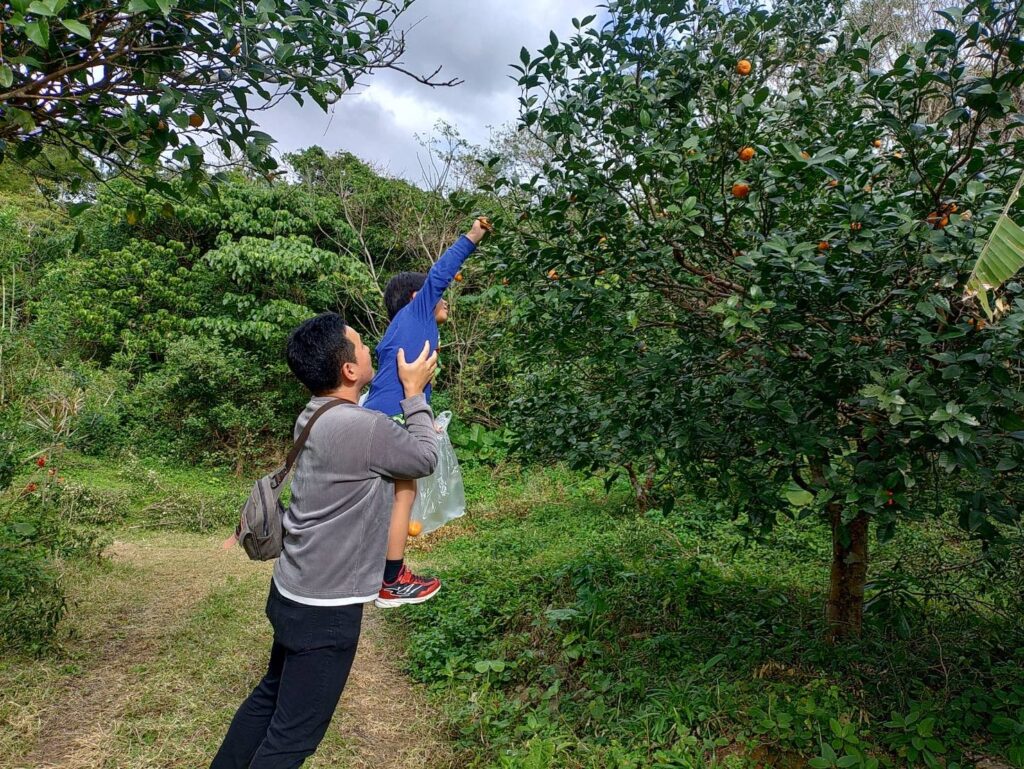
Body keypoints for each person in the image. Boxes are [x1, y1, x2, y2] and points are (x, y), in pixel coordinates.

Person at [210, 311, 439, 769]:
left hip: (292, 590)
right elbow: (424, 458)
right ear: (349, 370)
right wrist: (414, 394)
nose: (368, 347)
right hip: (325, 612)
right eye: (359, 343)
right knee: (293, 738)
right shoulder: (362, 427)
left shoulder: (315, 414)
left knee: (269, 699)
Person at [362, 216, 491, 608]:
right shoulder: (415, 315)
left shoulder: (403, 329)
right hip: (393, 418)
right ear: (419, 298)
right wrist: (473, 236)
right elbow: (441, 273)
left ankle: (383, 570)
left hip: (383, 416)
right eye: (437, 293)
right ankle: (392, 578)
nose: (445, 297)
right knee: (404, 494)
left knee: (397, 496)